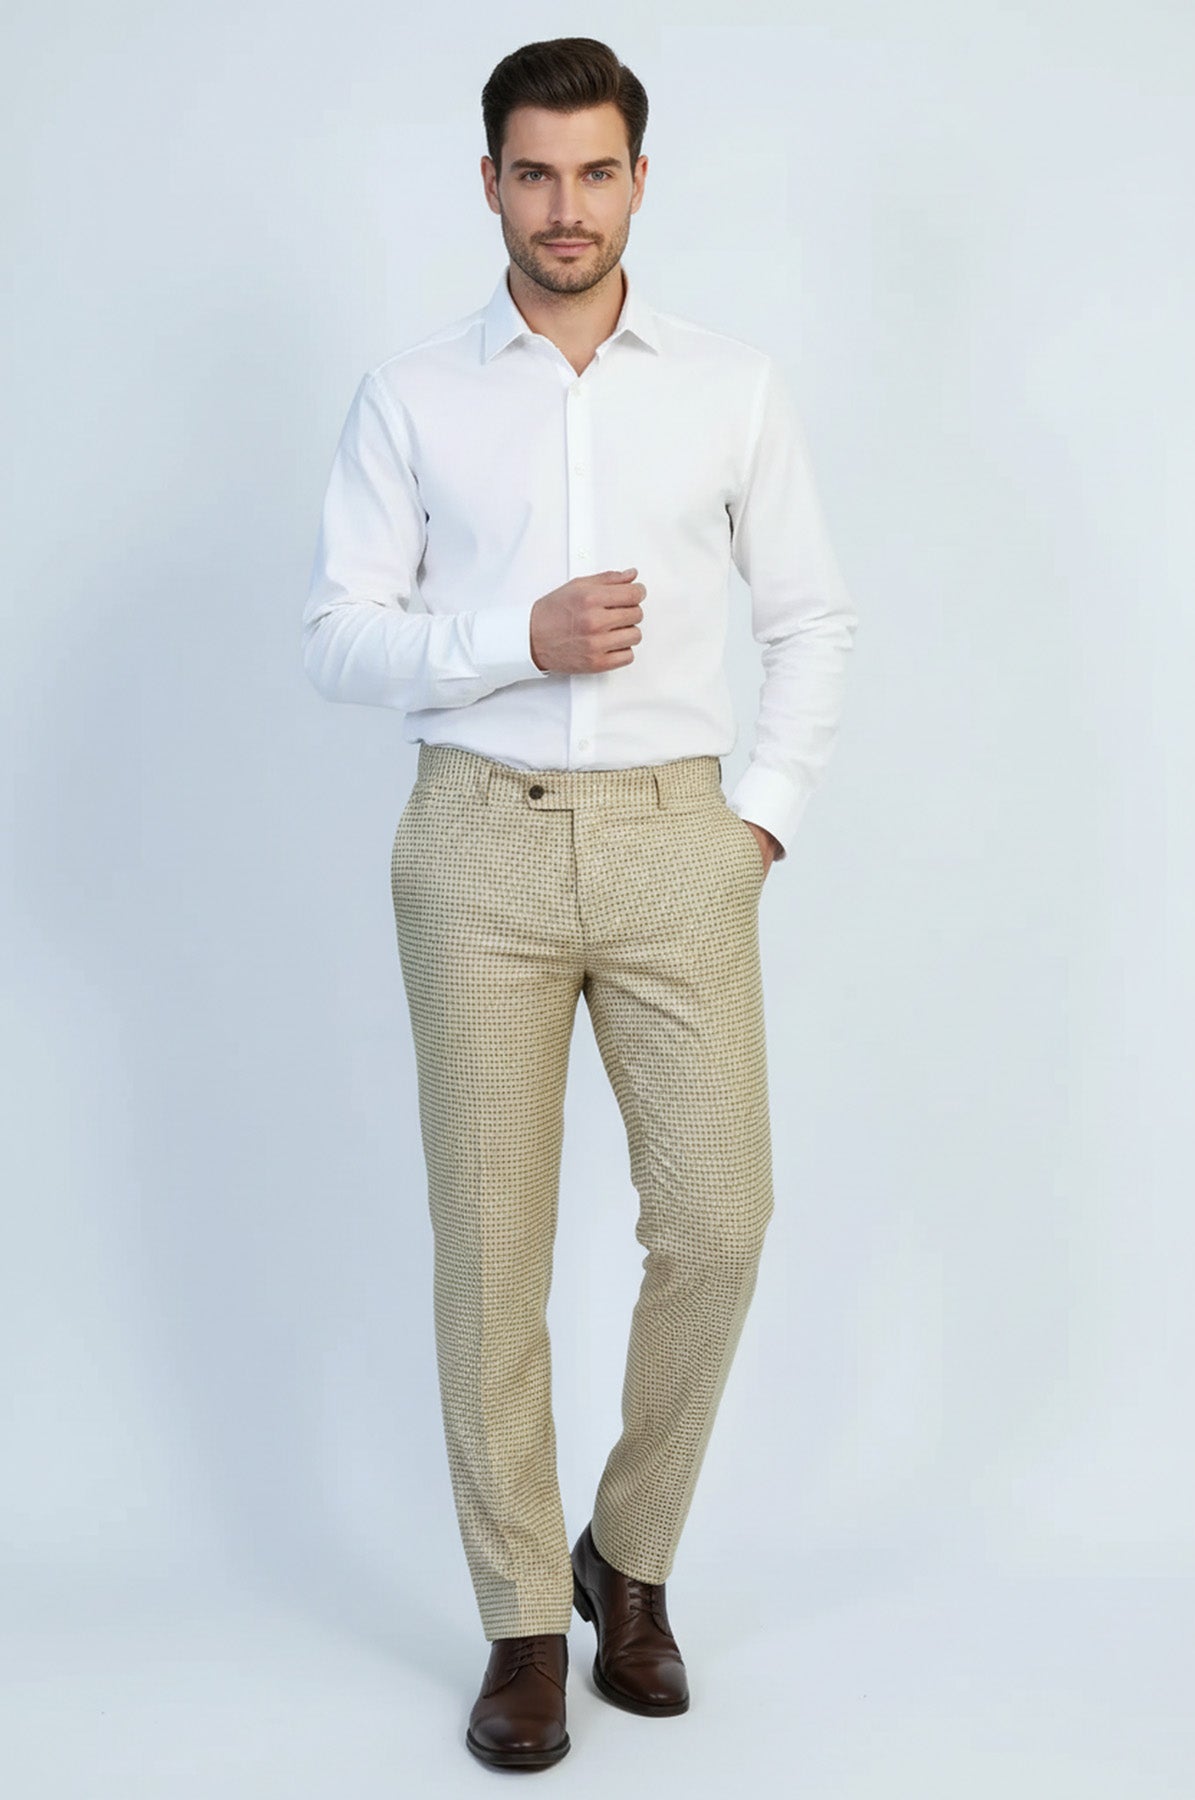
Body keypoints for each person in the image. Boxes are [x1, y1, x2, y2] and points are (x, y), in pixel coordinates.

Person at [302, 34, 858, 1774]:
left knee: (720, 1223)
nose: (566, 206)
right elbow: (338, 635)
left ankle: (632, 1556)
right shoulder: (412, 395)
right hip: (475, 842)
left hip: (679, 839)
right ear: (489, 183)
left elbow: (810, 619)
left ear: (639, 181)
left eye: (595, 172)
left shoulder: (730, 387)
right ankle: (523, 1623)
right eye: (534, 173)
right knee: (494, 1256)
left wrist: (757, 823)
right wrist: (511, 640)